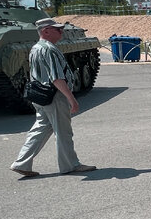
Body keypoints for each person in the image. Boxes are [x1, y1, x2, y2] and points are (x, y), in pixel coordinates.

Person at [10, 18, 96, 178]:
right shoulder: (49, 49)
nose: (61, 32)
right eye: (57, 29)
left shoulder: (35, 48)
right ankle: (70, 165)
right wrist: (71, 98)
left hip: (41, 96)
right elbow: (57, 77)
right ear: (46, 31)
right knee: (63, 132)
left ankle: (21, 162)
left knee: (40, 129)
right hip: (55, 96)